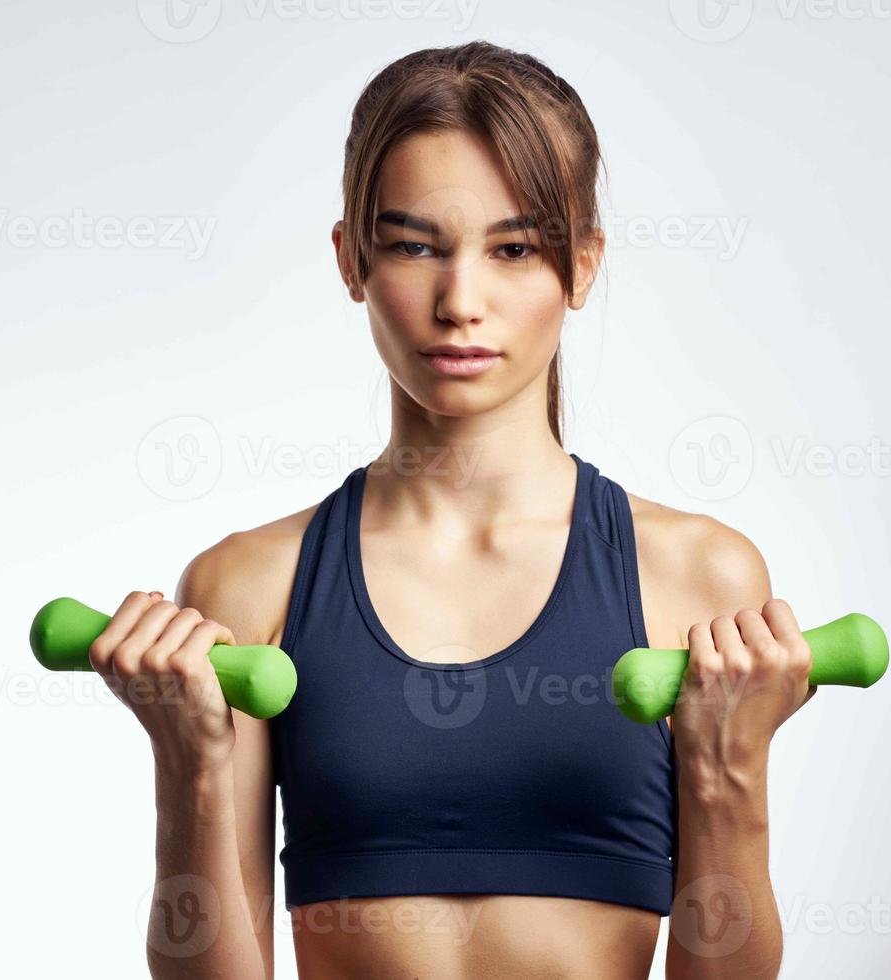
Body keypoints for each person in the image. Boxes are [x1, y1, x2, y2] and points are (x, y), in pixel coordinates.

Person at [88, 40, 818, 980]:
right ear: (352, 259)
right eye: (413, 245)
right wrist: (187, 767)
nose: (460, 302)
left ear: (582, 266)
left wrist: (731, 775)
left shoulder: (695, 574)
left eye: (513, 249)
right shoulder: (251, 585)